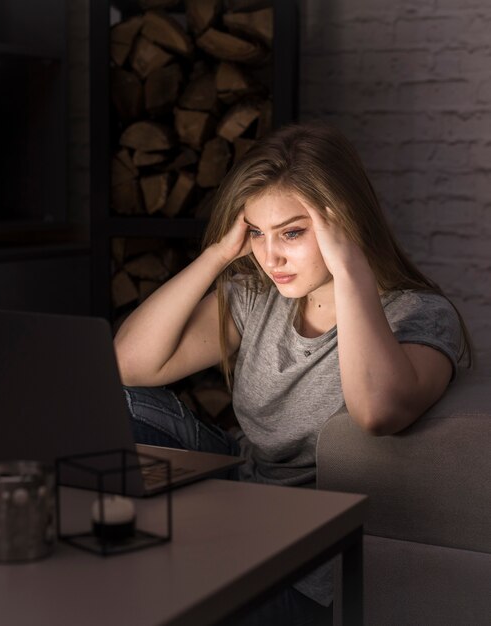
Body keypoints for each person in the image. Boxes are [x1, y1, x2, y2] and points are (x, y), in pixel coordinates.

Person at [113, 121, 471, 625]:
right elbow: (130, 365)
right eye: (257, 232)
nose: (270, 255)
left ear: (342, 223)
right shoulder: (258, 296)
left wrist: (349, 268)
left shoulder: (420, 315)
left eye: (294, 232)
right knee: (114, 402)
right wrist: (218, 254)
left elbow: (377, 412)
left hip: (310, 545)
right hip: (241, 486)